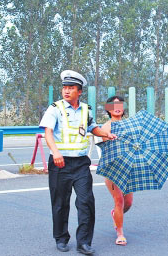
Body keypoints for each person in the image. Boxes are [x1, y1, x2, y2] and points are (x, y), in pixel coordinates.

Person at [39, 70, 116, 255]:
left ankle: (84, 242)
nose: (66, 91)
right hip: (60, 163)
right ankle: (61, 238)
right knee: (60, 202)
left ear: (79, 91)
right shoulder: (54, 108)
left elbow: (93, 128)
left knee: (86, 201)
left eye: (71, 88)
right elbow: (47, 132)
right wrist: (55, 152)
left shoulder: (86, 110)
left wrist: (106, 134)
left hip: (81, 163)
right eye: (65, 88)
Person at [101, 95, 133, 246]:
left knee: (128, 203)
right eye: (113, 105)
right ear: (108, 109)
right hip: (112, 168)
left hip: (128, 168)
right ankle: (120, 233)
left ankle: (115, 214)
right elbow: (107, 150)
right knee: (119, 200)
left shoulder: (129, 125)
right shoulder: (106, 128)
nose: (117, 107)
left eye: (120, 104)